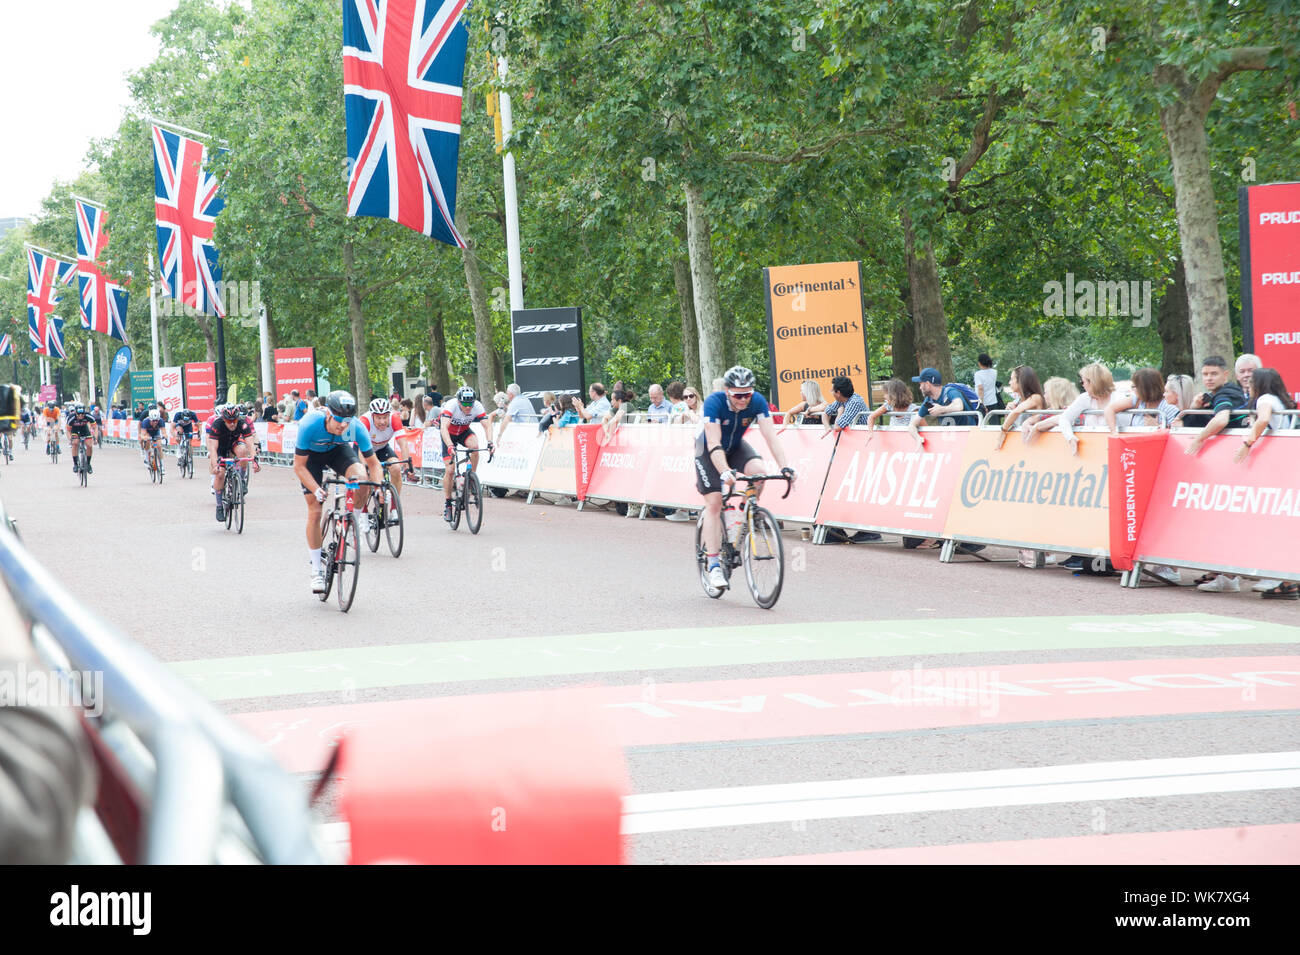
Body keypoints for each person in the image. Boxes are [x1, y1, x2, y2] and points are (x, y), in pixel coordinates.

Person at [695, 366, 796, 591]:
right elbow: (713, 442)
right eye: (738, 395)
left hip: (736, 446)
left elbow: (771, 437)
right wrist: (724, 470)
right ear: (728, 391)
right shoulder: (714, 402)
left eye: (747, 394)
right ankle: (713, 565)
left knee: (759, 472)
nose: (743, 399)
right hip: (709, 449)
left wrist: (785, 466)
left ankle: (743, 514)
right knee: (714, 502)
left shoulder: (757, 401)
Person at [293, 391, 383, 594]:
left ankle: (353, 522)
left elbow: (374, 464)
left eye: (347, 422)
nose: (343, 426)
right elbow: (298, 466)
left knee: (362, 478)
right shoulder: (310, 424)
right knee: (315, 511)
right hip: (311, 459)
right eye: (339, 421)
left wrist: (377, 488)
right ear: (328, 414)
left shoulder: (355, 427)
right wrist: (316, 490)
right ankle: (317, 570)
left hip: (338, 452)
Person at [1025, 362, 1114, 455]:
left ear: (1093, 382)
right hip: (1092, 447)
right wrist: (1070, 438)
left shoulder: (1119, 398)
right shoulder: (1084, 398)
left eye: (1082, 382)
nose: (1082, 385)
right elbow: (1064, 418)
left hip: (1111, 447)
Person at [440, 386, 494, 523]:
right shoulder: (451, 405)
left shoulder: (477, 406)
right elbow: (443, 428)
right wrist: (450, 446)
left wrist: (490, 442)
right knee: (450, 470)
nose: (468, 407)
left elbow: (487, 425)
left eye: (470, 404)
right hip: (449, 435)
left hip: (463, 432)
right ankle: (447, 504)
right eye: (464, 404)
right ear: (458, 402)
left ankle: (471, 479)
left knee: (475, 447)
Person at [206, 404, 258, 521]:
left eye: (234, 420)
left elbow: (250, 443)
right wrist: (215, 466)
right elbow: (213, 448)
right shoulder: (217, 425)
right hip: (221, 448)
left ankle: (241, 480)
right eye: (229, 421)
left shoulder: (242, 423)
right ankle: (219, 506)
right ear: (224, 420)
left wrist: (255, 460)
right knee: (219, 474)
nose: (232, 423)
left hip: (234, 444)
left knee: (243, 451)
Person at [907, 367, 979, 450]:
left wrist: (941, 409)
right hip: (951, 442)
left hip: (969, 438)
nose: (919, 388)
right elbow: (912, 424)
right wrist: (918, 438)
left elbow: (959, 406)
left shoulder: (950, 392)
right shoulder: (928, 401)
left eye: (920, 384)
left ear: (927, 384)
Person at [360, 397, 413, 497]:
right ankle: (363, 510)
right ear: (372, 416)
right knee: (364, 476)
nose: (382, 422)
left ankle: (394, 506)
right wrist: (364, 467)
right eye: (378, 418)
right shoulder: (364, 421)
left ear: (389, 415)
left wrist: (406, 465)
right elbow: (359, 449)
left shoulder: (395, 419)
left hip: (382, 448)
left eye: (385, 417)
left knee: (396, 468)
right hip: (365, 450)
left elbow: (403, 444)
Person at [1104, 367, 1165, 432]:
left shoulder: (1167, 406)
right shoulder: (1136, 400)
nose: (1132, 390)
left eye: (1134, 386)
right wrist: (1114, 432)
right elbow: (1109, 409)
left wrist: (1156, 428)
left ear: (1145, 388)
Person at [998, 366, 1045, 435]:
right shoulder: (1016, 401)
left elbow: (1016, 412)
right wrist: (1007, 412)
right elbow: (1009, 423)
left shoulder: (1036, 397)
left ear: (1021, 380)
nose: (1009, 382)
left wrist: (1002, 432)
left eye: (1012, 379)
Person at [63, 402, 96, 474]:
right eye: (78, 414)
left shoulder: (88, 416)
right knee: (75, 443)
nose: (80, 416)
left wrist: (95, 437)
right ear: (75, 412)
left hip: (84, 429)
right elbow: (68, 431)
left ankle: (88, 464)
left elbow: (95, 427)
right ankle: (75, 464)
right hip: (74, 430)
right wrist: (70, 439)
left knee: (89, 445)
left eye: (82, 414)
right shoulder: (71, 418)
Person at [138, 407, 168, 472]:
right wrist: (144, 437)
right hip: (148, 433)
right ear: (150, 419)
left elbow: (163, 431)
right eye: (153, 421)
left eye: (156, 420)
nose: (155, 422)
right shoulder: (145, 422)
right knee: (147, 441)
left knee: (159, 446)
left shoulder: (161, 421)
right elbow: (143, 434)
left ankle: (162, 466)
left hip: (156, 433)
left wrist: (165, 435)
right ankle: (147, 458)